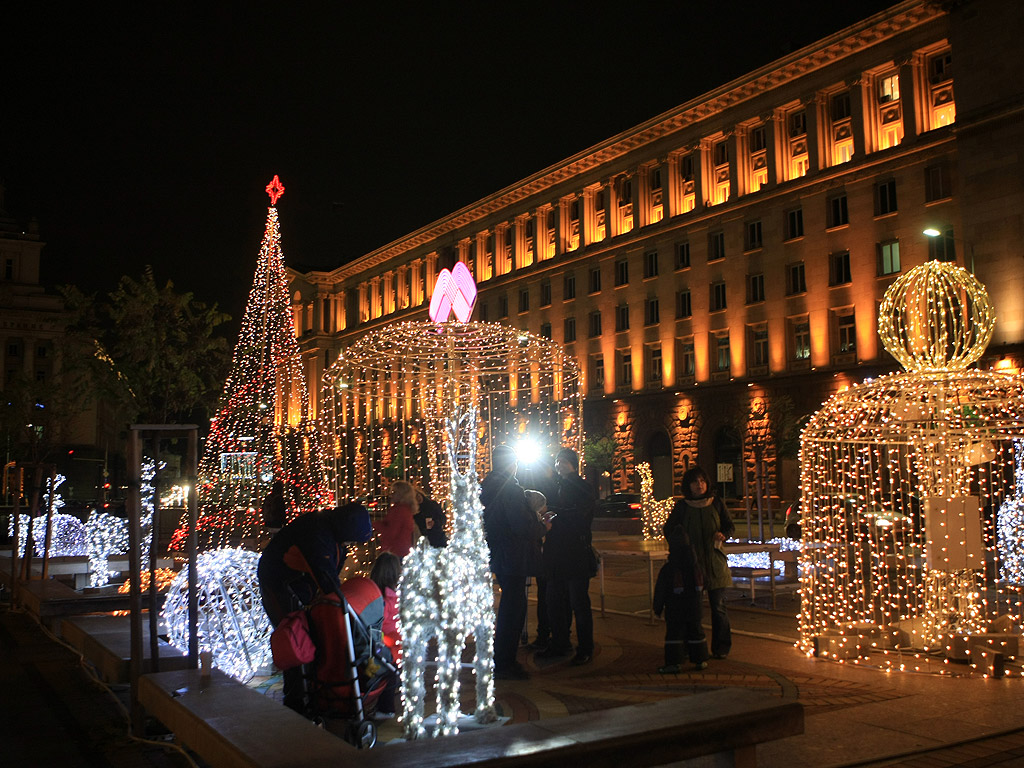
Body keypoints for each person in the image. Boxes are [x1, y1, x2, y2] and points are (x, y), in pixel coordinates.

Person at [257, 502, 372, 712]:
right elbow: (327, 579)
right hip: (279, 584)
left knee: (308, 639)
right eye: (353, 539)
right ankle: (296, 705)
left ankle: (308, 695)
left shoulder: (333, 532)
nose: (352, 544)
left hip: (298, 584)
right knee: (294, 639)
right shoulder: (318, 534)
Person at [481, 444, 546, 680]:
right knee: (513, 610)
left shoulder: (488, 486)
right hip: (515, 556)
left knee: (509, 606)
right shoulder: (510, 489)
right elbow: (521, 525)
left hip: (501, 554)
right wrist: (542, 527)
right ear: (512, 464)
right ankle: (505, 661)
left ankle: (503, 658)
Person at [662, 465, 734, 659]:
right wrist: (681, 546)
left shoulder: (716, 503)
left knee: (718, 607)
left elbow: (729, 526)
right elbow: (669, 530)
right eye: (695, 482)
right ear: (688, 485)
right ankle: (691, 646)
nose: (699, 485)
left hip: (715, 563)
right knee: (691, 609)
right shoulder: (682, 507)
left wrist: (723, 534)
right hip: (692, 566)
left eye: (702, 481)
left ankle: (721, 648)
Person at [538, 447, 597, 666]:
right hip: (555, 553)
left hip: (575, 552)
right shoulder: (555, 486)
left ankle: (585, 647)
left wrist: (555, 516)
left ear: (572, 463)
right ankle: (560, 642)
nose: (559, 465)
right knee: (553, 601)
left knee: (578, 602)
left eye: (563, 461)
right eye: (557, 461)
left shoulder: (582, 487)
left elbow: (580, 516)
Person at [653, 525, 709, 673]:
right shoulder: (696, 566)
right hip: (694, 607)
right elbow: (706, 582)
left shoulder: (669, 568)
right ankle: (700, 659)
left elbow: (661, 590)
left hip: (675, 609)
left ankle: (674, 662)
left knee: (674, 635)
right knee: (696, 632)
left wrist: (657, 607)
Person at [369, 552, 402, 719]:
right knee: (390, 672)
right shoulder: (391, 598)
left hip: (386, 643)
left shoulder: (375, 596)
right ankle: (386, 708)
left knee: (389, 672)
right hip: (390, 644)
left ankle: (386, 708)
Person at [373, 480, 419, 559]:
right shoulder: (405, 509)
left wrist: (375, 525)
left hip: (395, 551)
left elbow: (391, 532)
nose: (391, 495)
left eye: (394, 492)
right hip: (401, 549)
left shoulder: (399, 510)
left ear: (401, 494)